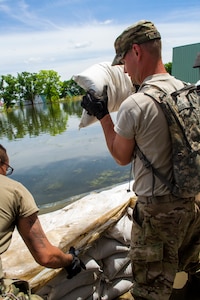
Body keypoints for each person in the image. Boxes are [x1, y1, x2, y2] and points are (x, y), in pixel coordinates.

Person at [81, 20, 200, 300]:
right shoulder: (188, 91)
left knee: (149, 290)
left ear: (136, 51)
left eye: (123, 60)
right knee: (189, 272)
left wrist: (103, 116)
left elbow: (121, 156)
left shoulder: (137, 103)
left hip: (158, 217)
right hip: (192, 206)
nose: (122, 69)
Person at [0, 144, 85, 299]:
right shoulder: (14, 191)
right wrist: (70, 260)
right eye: (7, 169)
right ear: (3, 166)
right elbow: (46, 256)